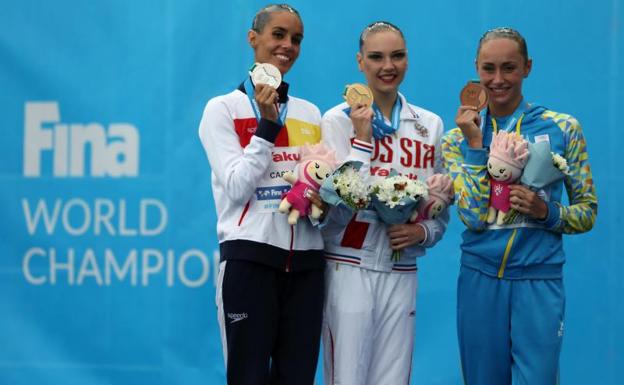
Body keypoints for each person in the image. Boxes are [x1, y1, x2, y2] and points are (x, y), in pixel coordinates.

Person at [442, 27, 597, 385]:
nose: (498, 80)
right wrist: (475, 145)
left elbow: (587, 210)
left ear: (527, 67)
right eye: (489, 68)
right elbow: (473, 217)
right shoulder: (456, 139)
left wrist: (548, 213)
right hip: (480, 279)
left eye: (509, 68)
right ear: (476, 69)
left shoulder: (563, 128)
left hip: (539, 279)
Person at [198, 4, 326, 384]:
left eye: (297, 39)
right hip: (249, 262)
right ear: (253, 39)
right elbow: (237, 187)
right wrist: (266, 128)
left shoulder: (309, 113)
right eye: (279, 34)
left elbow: (315, 186)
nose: (288, 45)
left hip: (306, 266)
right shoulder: (221, 109)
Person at [320, 21, 448, 385]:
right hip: (348, 264)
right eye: (376, 57)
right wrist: (361, 139)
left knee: (393, 379)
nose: (387, 66)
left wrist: (422, 231)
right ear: (360, 62)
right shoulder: (336, 120)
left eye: (397, 56)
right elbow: (334, 201)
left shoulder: (429, 124)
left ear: (408, 60)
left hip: (401, 267)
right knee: (347, 377)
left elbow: (439, 200)